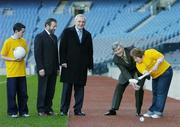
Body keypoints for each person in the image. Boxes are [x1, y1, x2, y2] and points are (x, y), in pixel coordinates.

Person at [59, 14, 93, 116]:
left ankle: (78, 110)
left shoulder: (88, 34)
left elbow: (90, 51)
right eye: (79, 21)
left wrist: (90, 65)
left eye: (83, 22)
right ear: (75, 22)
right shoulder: (67, 32)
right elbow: (62, 48)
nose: (81, 23)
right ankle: (63, 110)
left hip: (82, 66)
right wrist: (62, 61)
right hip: (68, 65)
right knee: (67, 90)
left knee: (80, 90)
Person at [104, 42, 146, 116]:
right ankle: (113, 109)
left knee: (138, 89)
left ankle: (138, 111)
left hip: (138, 69)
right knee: (119, 86)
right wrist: (130, 80)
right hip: (127, 72)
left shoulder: (131, 50)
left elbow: (141, 58)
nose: (118, 51)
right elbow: (123, 70)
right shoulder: (115, 59)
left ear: (122, 47)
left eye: (119, 49)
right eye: (116, 51)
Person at [130, 48, 173, 119]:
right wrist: (146, 73)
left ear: (139, 55)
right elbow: (144, 72)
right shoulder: (138, 65)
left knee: (161, 92)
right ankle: (152, 110)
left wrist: (157, 64)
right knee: (155, 92)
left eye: (135, 58)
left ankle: (158, 112)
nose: (135, 60)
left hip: (165, 72)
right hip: (155, 76)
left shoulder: (149, 52)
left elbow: (161, 57)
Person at [0, 23, 29, 118]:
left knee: (23, 94)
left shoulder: (24, 41)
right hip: (12, 73)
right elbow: (2, 55)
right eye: (22, 32)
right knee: (12, 94)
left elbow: (24, 53)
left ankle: (23, 111)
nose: (23, 33)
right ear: (16, 31)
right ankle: (12, 112)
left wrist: (22, 56)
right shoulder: (8, 42)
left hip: (22, 72)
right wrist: (13, 59)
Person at [34, 18, 59, 116]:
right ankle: (41, 109)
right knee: (42, 90)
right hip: (43, 69)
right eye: (54, 26)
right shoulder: (39, 36)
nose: (55, 28)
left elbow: (56, 54)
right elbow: (37, 54)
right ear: (47, 26)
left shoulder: (55, 37)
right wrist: (40, 68)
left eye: (56, 26)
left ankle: (48, 109)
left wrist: (57, 67)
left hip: (53, 69)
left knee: (51, 90)